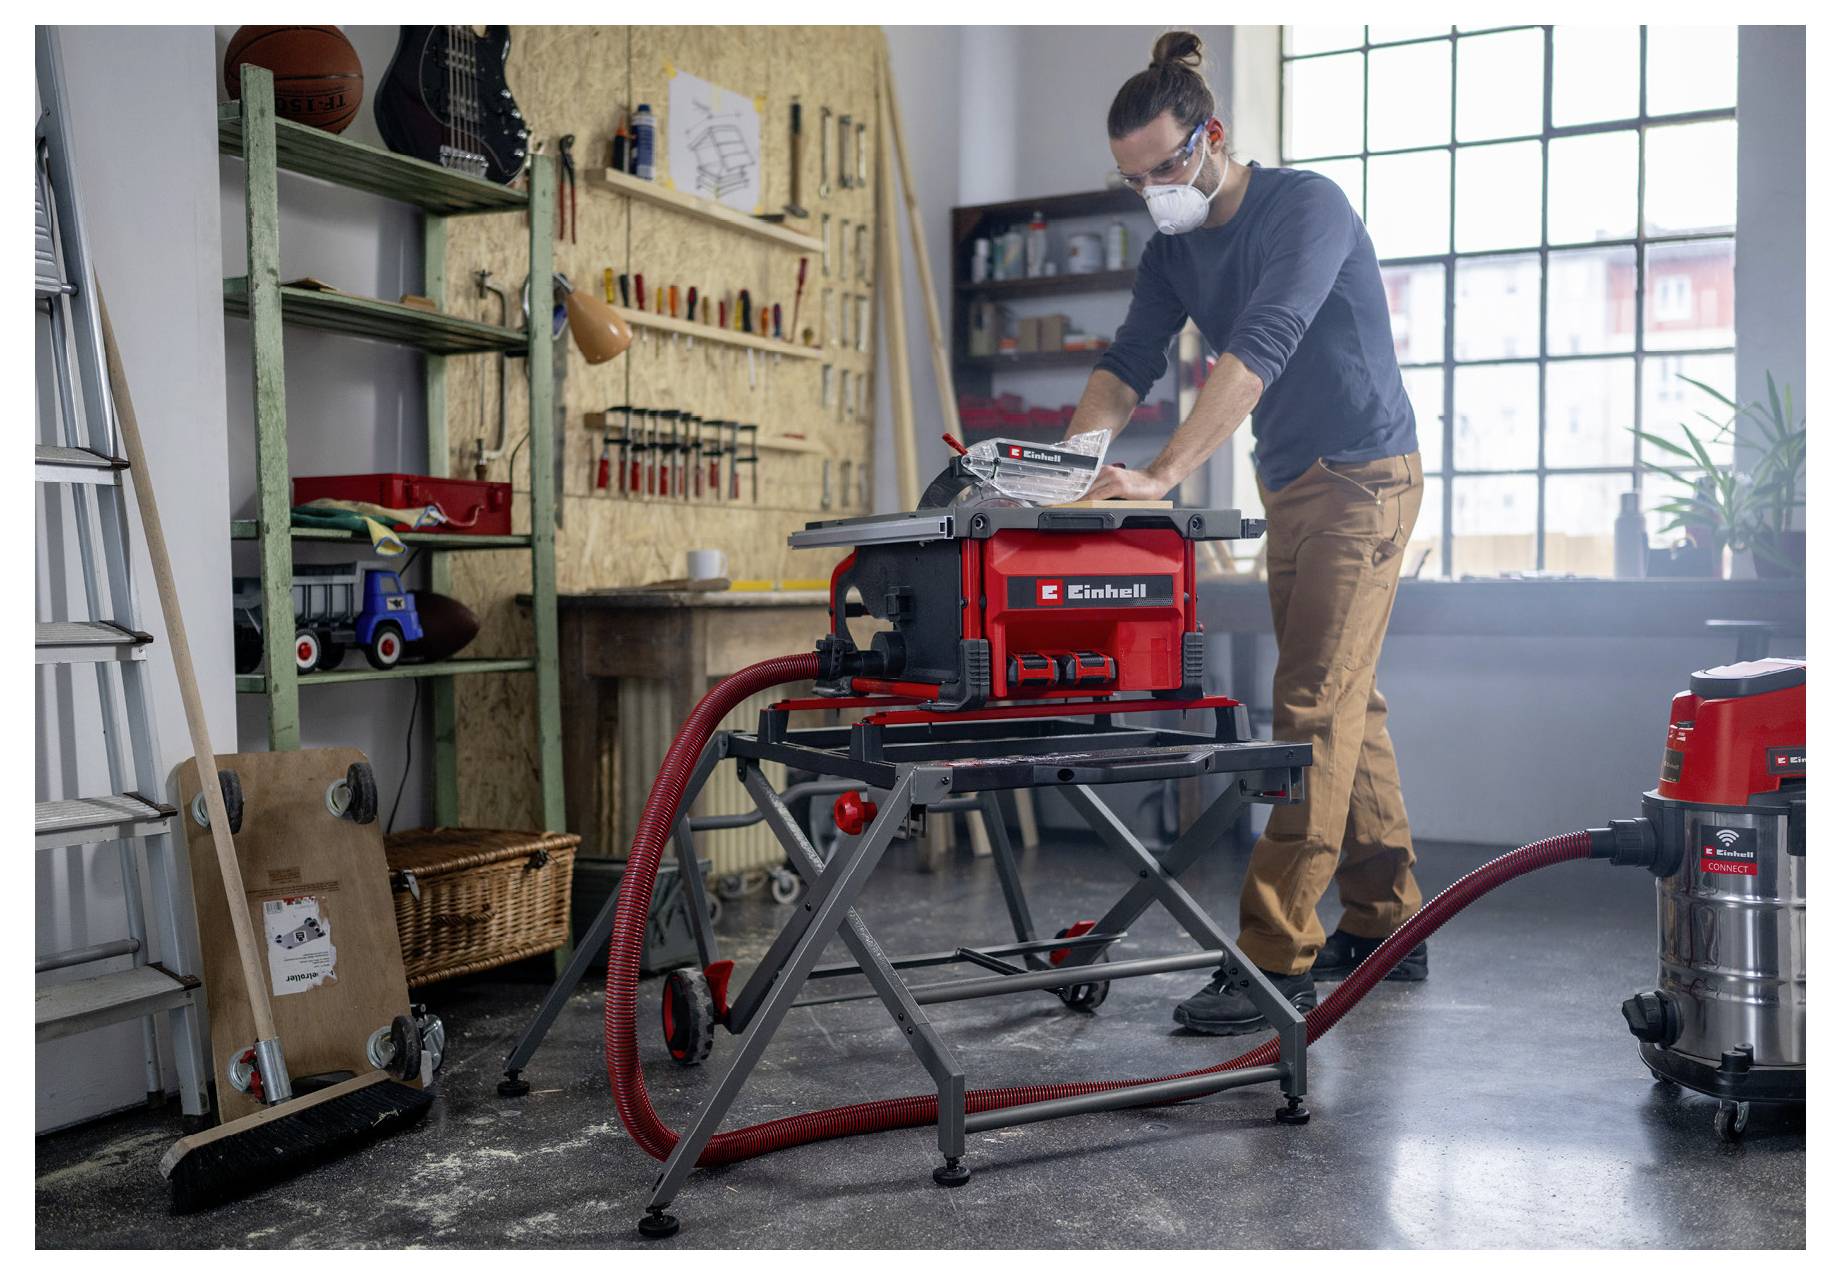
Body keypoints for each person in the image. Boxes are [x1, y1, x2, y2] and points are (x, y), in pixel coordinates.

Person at [1068, 31, 1429, 1035]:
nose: (1154, 191)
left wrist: (1162, 473)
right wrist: (1073, 459)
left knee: (1310, 704)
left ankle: (1275, 956)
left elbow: (1257, 348)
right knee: (1346, 696)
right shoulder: (1172, 248)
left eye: (1167, 166)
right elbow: (1125, 362)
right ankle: (1388, 921)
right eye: (1132, 178)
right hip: (1291, 482)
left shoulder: (1303, 209)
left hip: (1365, 477)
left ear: (1212, 136)